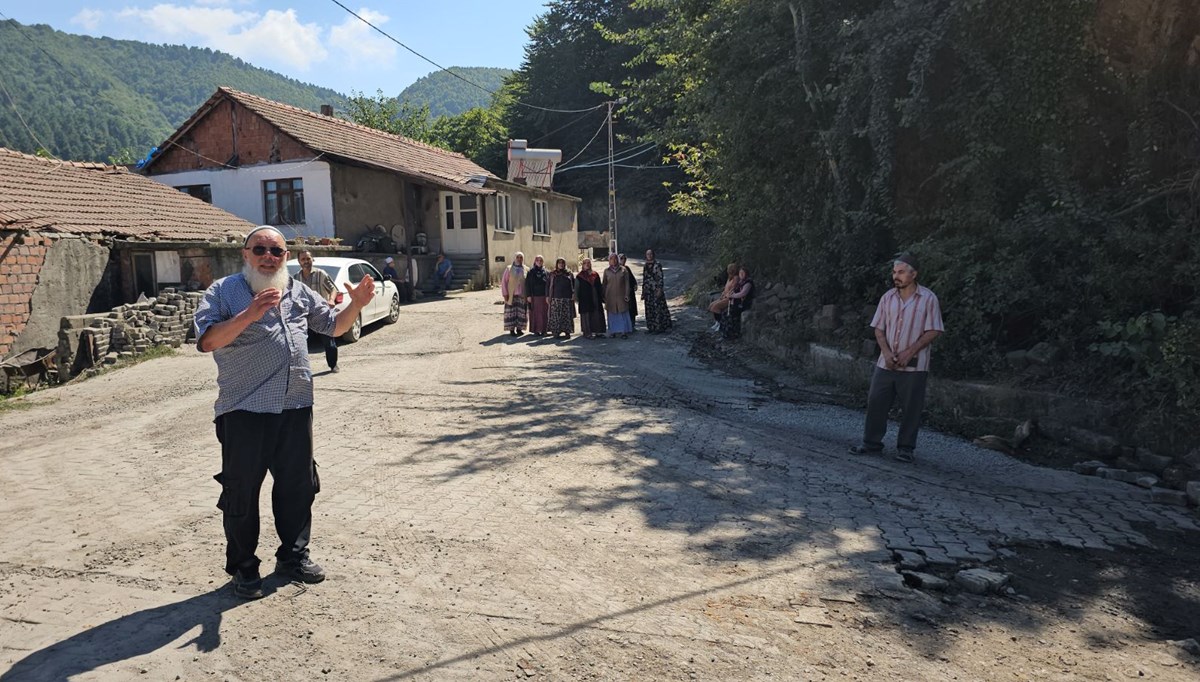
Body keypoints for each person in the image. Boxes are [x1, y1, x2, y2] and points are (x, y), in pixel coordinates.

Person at [193, 225, 375, 599]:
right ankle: (244, 568)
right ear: (245, 254)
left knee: (299, 486)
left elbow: (334, 325)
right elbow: (208, 341)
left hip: (295, 406)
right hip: (245, 410)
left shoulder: (297, 290)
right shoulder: (223, 292)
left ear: (286, 258)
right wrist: (249, 314)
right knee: (241, 493)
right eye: (260, 249)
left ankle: (292, 556)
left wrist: (355, 304)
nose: (268, 257)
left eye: (276, 251)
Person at [848, 253, 944, 463]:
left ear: (914, 274)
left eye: (900, 272)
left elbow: (934, 330)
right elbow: (879, 329)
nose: (896, 276)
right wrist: (887, 353)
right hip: (886, 363)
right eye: (894, 272)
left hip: (915, 366)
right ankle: (871, 443)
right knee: (876, 401)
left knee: (911, 407)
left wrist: (909, 352)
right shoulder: (887, 298)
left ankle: (906, 449)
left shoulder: (928, 299)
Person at [294, 249, 339, 373]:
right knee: (300, 342)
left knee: (329, 342)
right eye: (303, 259)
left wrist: (331, 300)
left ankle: (333, 365)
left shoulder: (320, 274)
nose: (306, 261)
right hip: (304, 314)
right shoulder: (296, 278)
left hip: (321, 313)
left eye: (308, 259)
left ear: (312, 259)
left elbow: (334, 289)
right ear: (299, 262)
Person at [602, 253, 633, 339]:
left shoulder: (623, 270)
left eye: (615, 259)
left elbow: (627, 284)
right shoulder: (606, 271)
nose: (614, 260)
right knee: (612, 315)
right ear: (609, 260)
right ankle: (613, 332)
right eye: (611, 259)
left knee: (622, 314)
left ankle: (623, 332)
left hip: (621, 296)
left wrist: (627, 294)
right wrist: (603, 295)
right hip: (610, 296)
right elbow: (604, 284)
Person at [641, 249, 672, 333]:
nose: (649, 256)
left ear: (653, 255)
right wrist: (643, 292)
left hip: (656, 290)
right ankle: (651, 327)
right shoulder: (645, 266)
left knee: (657, 309)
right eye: (647, 254)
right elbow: (644, 279)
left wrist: (660, 289)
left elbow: (660, 278)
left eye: (651, 254)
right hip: (648, 291)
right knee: (649, 309)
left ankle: (659, 327)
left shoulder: (657, 265)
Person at [575, 257, 606, 339]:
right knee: (586, 315)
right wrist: (576, 299)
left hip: (595, 297)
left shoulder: (595, 274)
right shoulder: (579, 276)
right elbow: (576, 289)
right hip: (584, 299)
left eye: (589, 263)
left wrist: (602, 296)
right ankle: (587, 333)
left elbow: (600, 286)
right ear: (583, 265)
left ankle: (598, 331)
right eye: (585, 263)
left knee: (597, 314)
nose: (587, 264)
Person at [546, 258, 575, 338]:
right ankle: (556, 332)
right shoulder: (552, 274)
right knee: (556, 316)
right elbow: (548, 285)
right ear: (557, 264)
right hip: (555, 298)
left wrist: (573, 294)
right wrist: (547, 296)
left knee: (567, 316)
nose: (561, 264)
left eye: (562, 263)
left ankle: (567, 332)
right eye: (559, 263)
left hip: (567, 298)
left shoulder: (569, 273)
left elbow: (573, 285)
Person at [500, 252, 528, 336]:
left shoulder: (526, 269)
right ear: (515, 258)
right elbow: (504, 282)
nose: (519, 259)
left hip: (522, 295)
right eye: (518, 257)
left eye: (521, 257)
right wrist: (505, 294)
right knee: (511, 313)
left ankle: (519, 329)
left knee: (521, 313)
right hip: (511, 295)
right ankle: (511, 330)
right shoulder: (509, 269)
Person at [722, 266, 753, 339]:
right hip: (737, 303)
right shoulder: (740, 282)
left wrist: (733, 295)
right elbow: (734, 290)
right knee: (725, 313)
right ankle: (726, 332)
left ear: (746, 274)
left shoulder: (748, 283)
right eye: (740, 273)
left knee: (731, 315)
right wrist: (729, 294)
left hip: (744, 303)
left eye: (743, 273)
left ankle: (733, 333)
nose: (741, 274)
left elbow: (743, 293)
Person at [708, 263, 740, 333]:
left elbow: (733, 289)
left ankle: (720, 324)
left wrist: (726, 295)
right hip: (724, 296)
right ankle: (716, 322)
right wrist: (723, 294)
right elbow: (725, 288)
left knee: (715, 307)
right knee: (711, 305)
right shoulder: (729, 277)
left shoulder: (736, 278)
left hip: (730, 298)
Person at [525, 255, 550, 336]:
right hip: (534, 296)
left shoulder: (546, 272)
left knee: (544, 313)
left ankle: (544, 330)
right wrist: (528, 295)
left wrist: (548, 295)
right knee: (535, 313)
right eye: (537, 260)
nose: (539, 262)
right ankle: (536, 330)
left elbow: (549, 284)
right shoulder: (531, 272)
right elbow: (527, 284)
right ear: (535, 261)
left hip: (544, 296)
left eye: (541, 260)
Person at [619, 254, 638, 331]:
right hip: (621, 294)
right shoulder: (617, 269)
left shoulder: (627, 268)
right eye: (621, 258)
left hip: (630, 293)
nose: (623, 260)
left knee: (632, 309)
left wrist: (635, 285)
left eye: (624, 258)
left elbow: (632, 279)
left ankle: (632, 325)